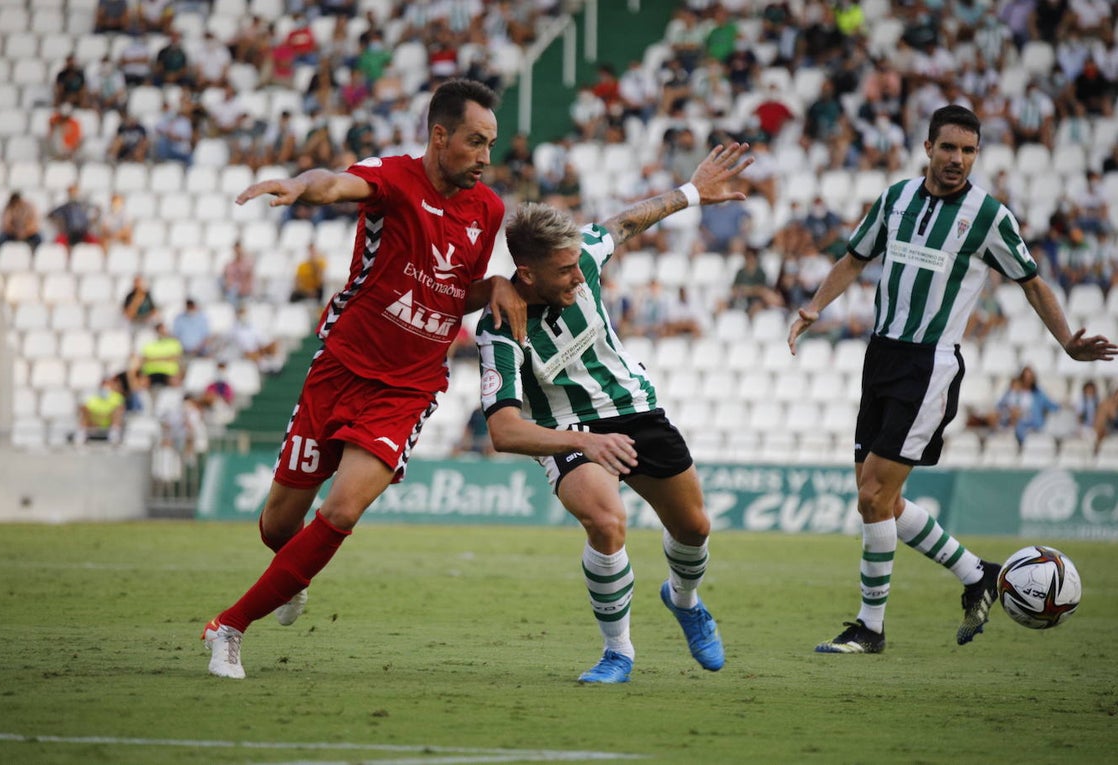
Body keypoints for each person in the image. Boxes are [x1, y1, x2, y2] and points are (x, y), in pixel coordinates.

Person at [200, 79, 526, 680]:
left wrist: (499, 286)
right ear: (440, 136)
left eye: (491, 144)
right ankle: (287, 578)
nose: (486, 157)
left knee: (343, 511)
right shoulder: (394, 177)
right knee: (278, 525)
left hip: (407, 388)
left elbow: (457, 294)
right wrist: (299, 186)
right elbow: (336, 182)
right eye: (476, 142)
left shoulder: (489, 210)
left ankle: (229, 628)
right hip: (340, 368)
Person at [787, 105, 1117, 655]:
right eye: (948, 148)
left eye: (968, 151)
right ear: (928, 148)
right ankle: (976, 573)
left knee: (874, 495)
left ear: (976, 155)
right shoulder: (894, 200)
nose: (957, 160)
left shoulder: (988, 216)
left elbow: (1032, 282)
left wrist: (1065, 340)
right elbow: (854, 257)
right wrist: (814, 307)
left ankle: (870, 628)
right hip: (881, 357)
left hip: (929, 365)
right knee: (879, 502)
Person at [475, 142, 754, 683]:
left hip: (635, 408)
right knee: (606, 522)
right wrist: (584, 444)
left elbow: (626, 222)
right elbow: (504, 431)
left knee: (694, 527)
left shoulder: (580, 257)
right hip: (567, 430)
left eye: (577, 265)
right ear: (526, 275)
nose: (578, 278)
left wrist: (693, 191)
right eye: (563, 272)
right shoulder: (499, 330)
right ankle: (618, 652)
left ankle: (685, 600)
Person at [74, 375, 126, 445]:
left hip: (109, 422)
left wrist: (105, 415)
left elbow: (119, 408)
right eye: (104, 384)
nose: (106, 387)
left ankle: (114, 435)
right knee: (84, 411)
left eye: (108, 384)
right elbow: (87, 408)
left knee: (117, 412)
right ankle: (81, 435)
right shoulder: (94, 398)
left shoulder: (117, 397)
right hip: (94, 423)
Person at [139, 322, 184, 388]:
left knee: (175, 380)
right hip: (151, 372)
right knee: (142, 381)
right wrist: (165, 358)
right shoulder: (149, 342)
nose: (161, 331)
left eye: (162, 329)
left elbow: (175, 358)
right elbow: (145, 359)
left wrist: (155, 359)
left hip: (169, 372)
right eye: (159, 329)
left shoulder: (174, 342)